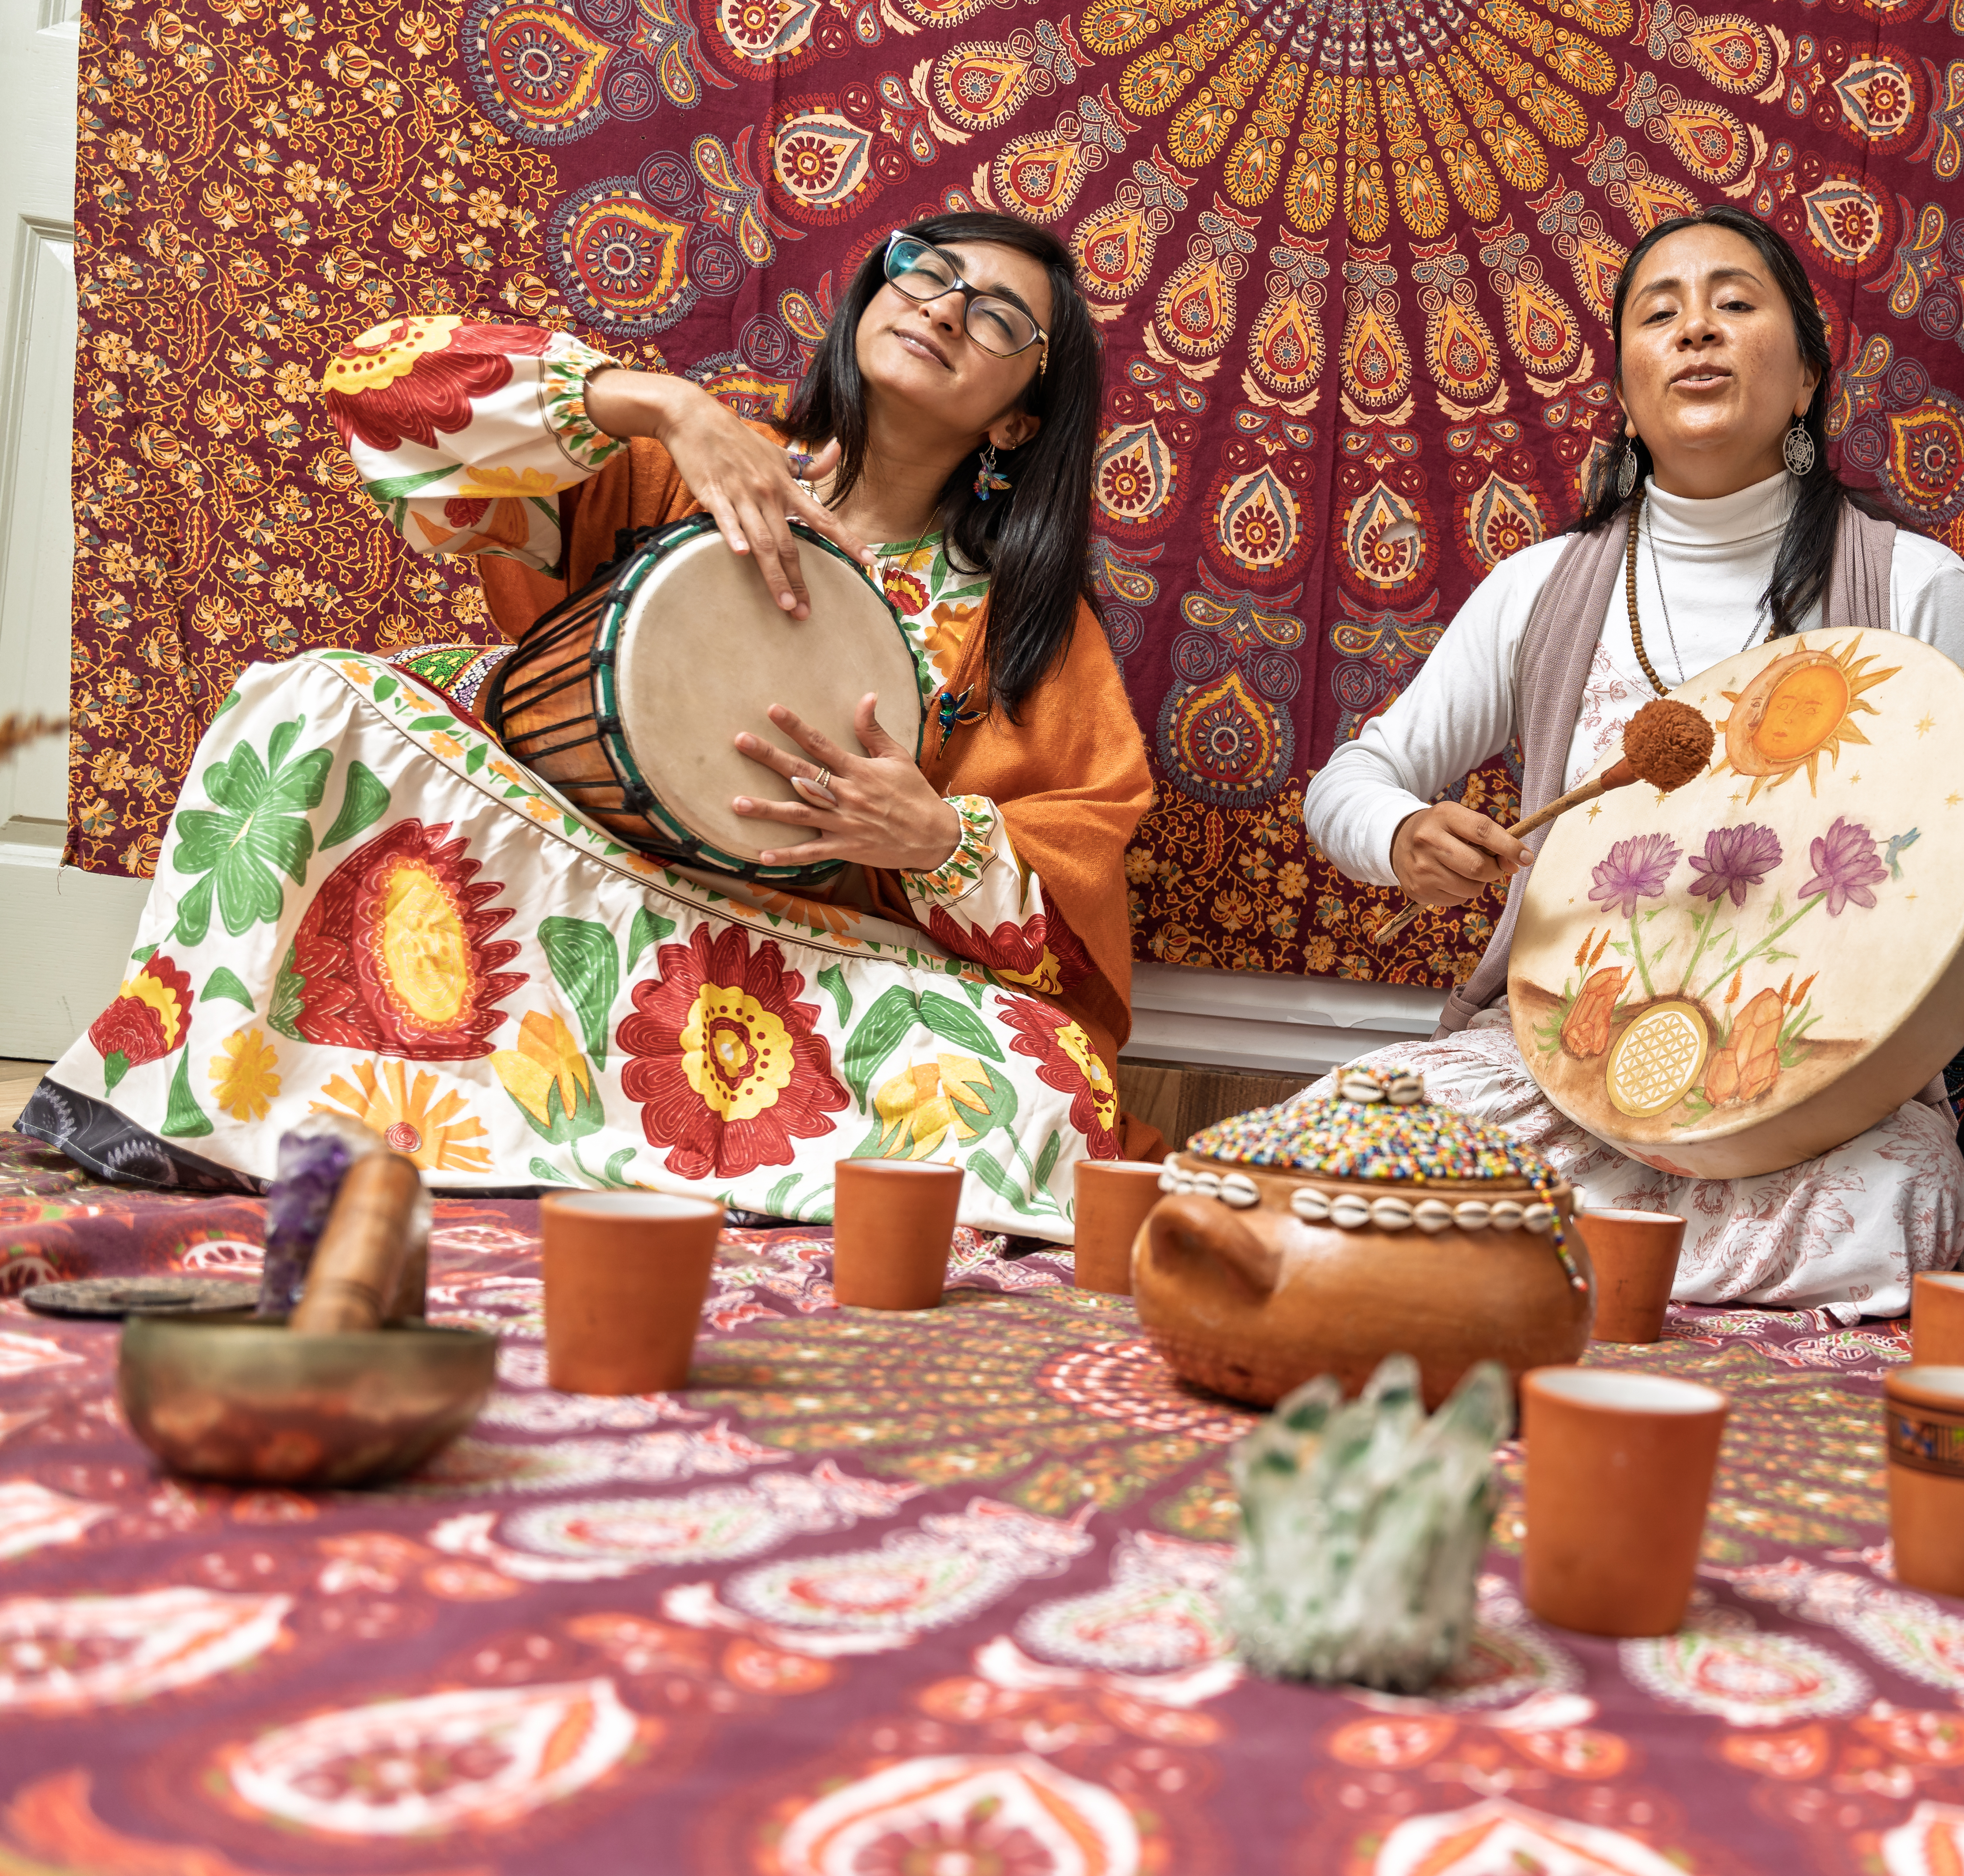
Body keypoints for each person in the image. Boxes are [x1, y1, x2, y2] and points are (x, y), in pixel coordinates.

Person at [32, 215, 1151, 1238]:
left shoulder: (1026, 631)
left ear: (1017, 416)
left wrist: (940, 843)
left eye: (999, 315)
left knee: (1044, 1084)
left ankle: (578, 1137)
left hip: (778, 967)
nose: (945, 307)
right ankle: (200, 1092)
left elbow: (1077, 884)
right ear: (873, 296)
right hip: (561, 881)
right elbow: (381, 391)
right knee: (313, 698)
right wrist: (663, 405)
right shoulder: (680, 468)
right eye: (928, 272)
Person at [1304, 207, 1964, 1316]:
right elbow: (1347, 782)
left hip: (1812, 1087)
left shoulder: (1914, 587)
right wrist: (1403, 835)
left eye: (1734, 303)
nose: (1697, 333)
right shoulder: (1543, 588)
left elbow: (1963, 862)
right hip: (1559, 1072)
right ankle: (1610, 1276)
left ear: (1809, 375)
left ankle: (1531, 1272)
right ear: (1624, 393)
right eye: (1659, 315)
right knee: (1329, 1142)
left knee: (1902, 1199)